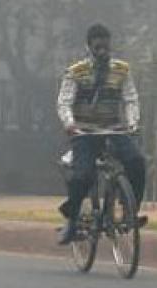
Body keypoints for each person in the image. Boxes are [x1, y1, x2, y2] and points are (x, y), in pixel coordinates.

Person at [55, 23, 148, 245]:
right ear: (89, 47)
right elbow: (64, 102)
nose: (102, 51)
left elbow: (130, 98)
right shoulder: (76, 72)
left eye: (105, 46)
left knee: (136, 162)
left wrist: (133, 123)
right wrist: (69, 124)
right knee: (83, 176)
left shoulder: (121, 70)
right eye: (97, 47)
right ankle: (73, 218)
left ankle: (130, 210)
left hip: (115, 130)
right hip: (85, 133)